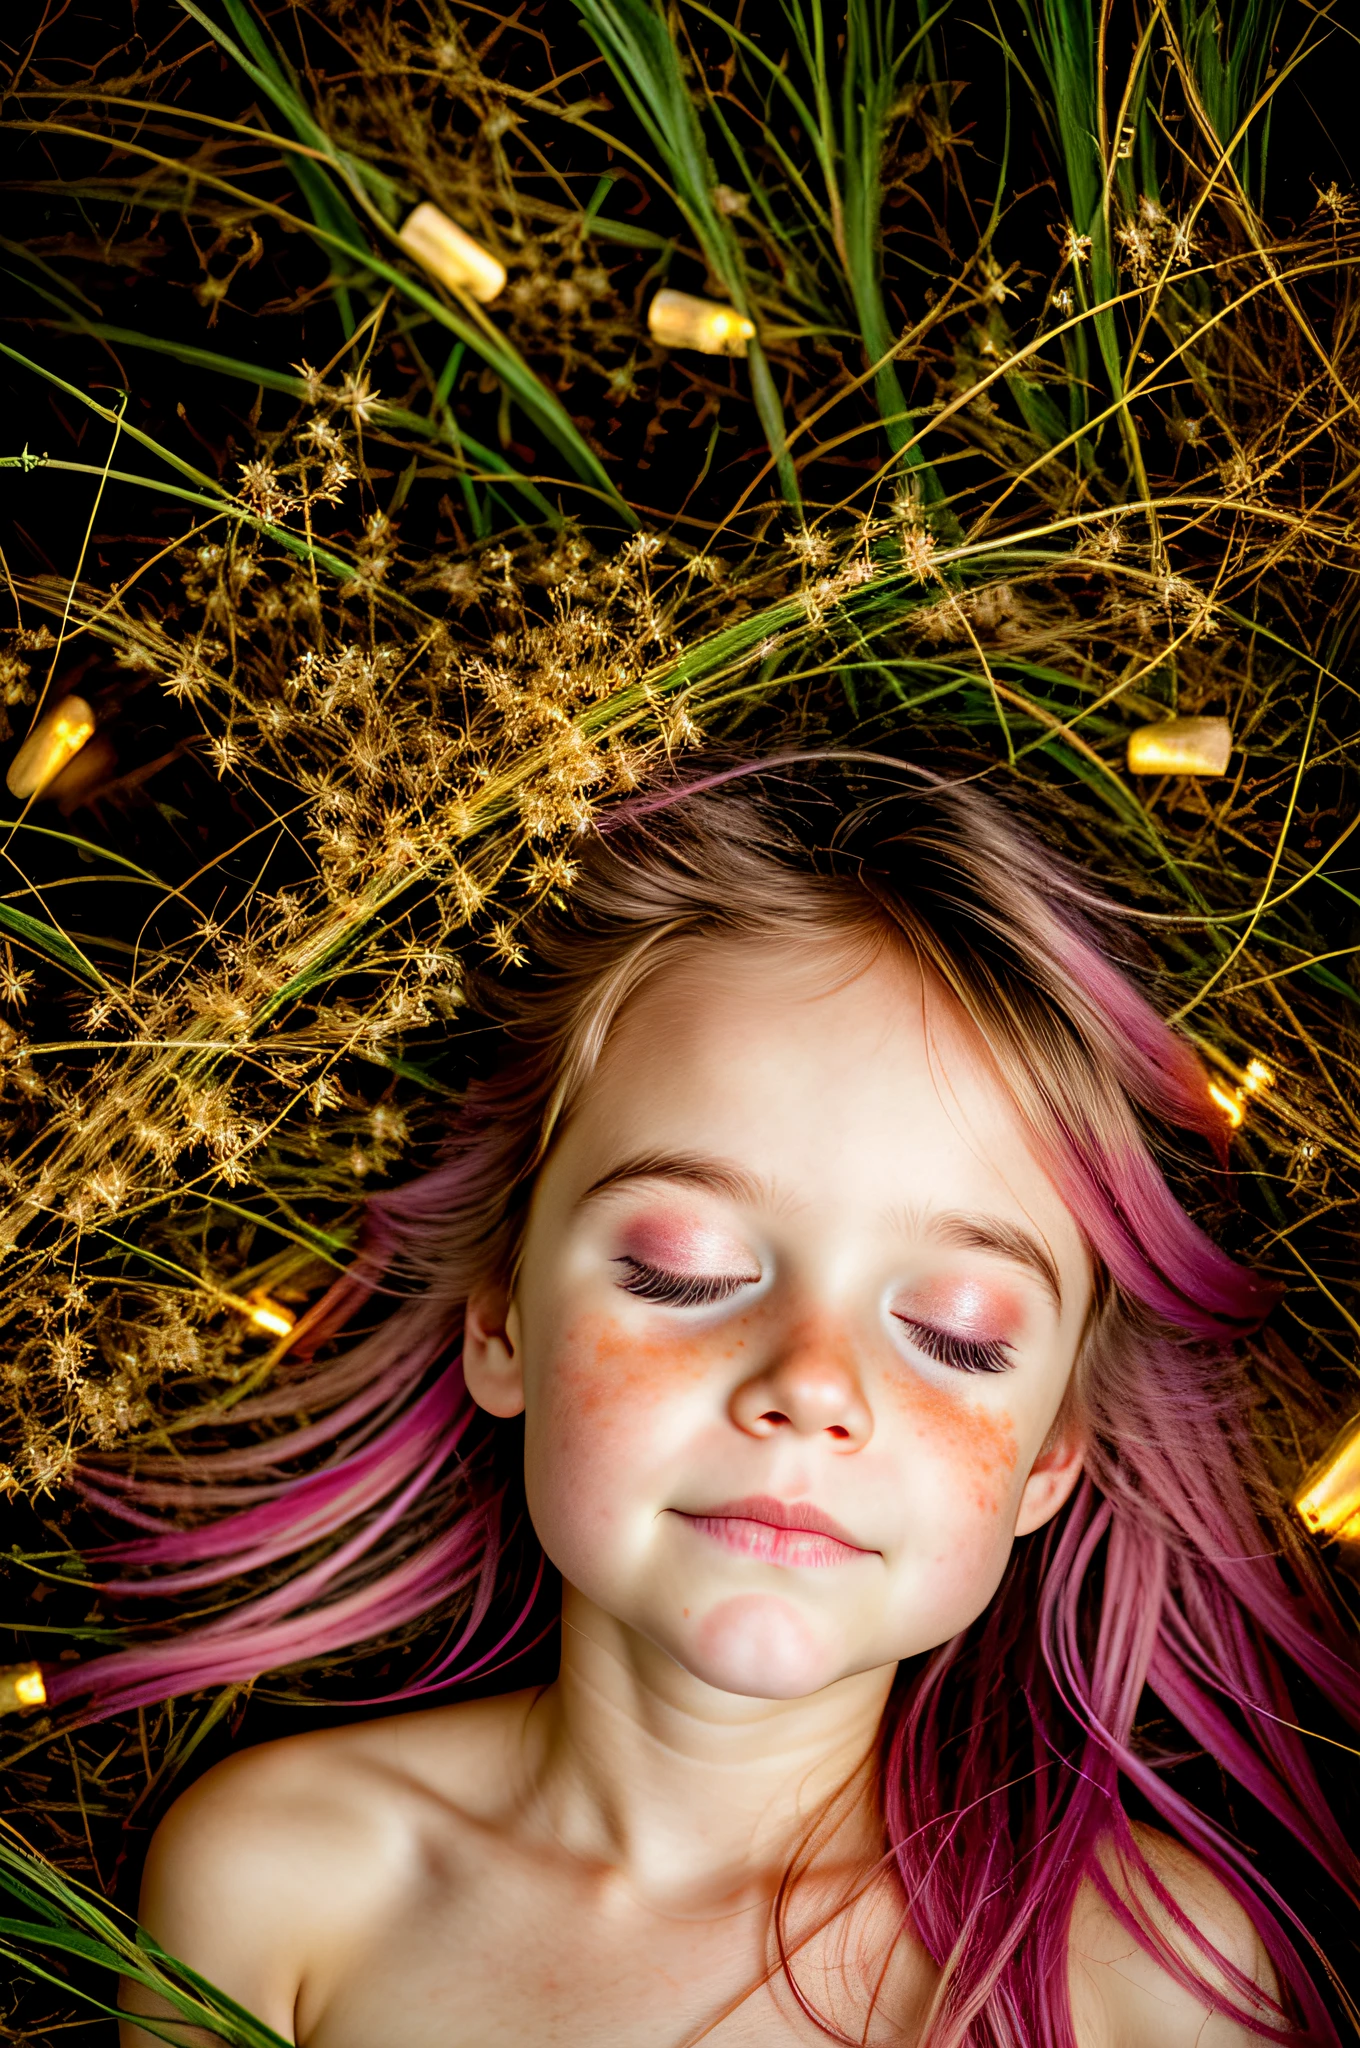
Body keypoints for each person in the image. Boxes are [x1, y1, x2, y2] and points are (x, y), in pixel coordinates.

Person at [100, 758, 1356, 2045]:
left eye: (956, 1335)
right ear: (501, 1317)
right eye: (682, 1270)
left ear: (1051, 1457)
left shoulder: (1153, 1977)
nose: (810, 1384)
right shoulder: (279, 1881)